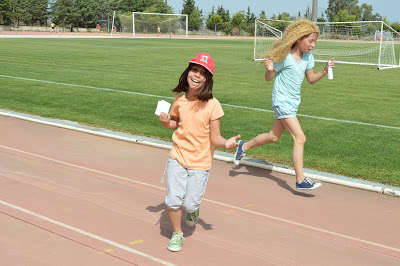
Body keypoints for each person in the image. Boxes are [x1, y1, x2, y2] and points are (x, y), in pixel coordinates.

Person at [233, 19, 335, 190]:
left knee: (273, 136)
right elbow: (269, 77)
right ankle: (300, 180)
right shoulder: (285, 57)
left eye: (314, 41)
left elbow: (310, 80)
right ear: (298, 38)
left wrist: (324, 71)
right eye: (310, 41)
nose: (313, 45)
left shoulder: (308, 57)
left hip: (293, 103)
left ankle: (244, 145)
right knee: (300, 138)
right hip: (281, 102)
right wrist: (269, 68)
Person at [159, 53, 240, 252]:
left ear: (208, 79)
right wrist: (165, 122)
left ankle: (193, 211)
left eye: (203, 73)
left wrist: (226, 142)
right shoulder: (179, 100)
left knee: (190, 204)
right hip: (177, 157)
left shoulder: (213, 104)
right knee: (173, 200)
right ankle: (177, 233)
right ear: (188, 72)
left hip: (200, 163)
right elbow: (176, 123)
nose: (197, 75)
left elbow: (215, 137)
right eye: (194, 70)